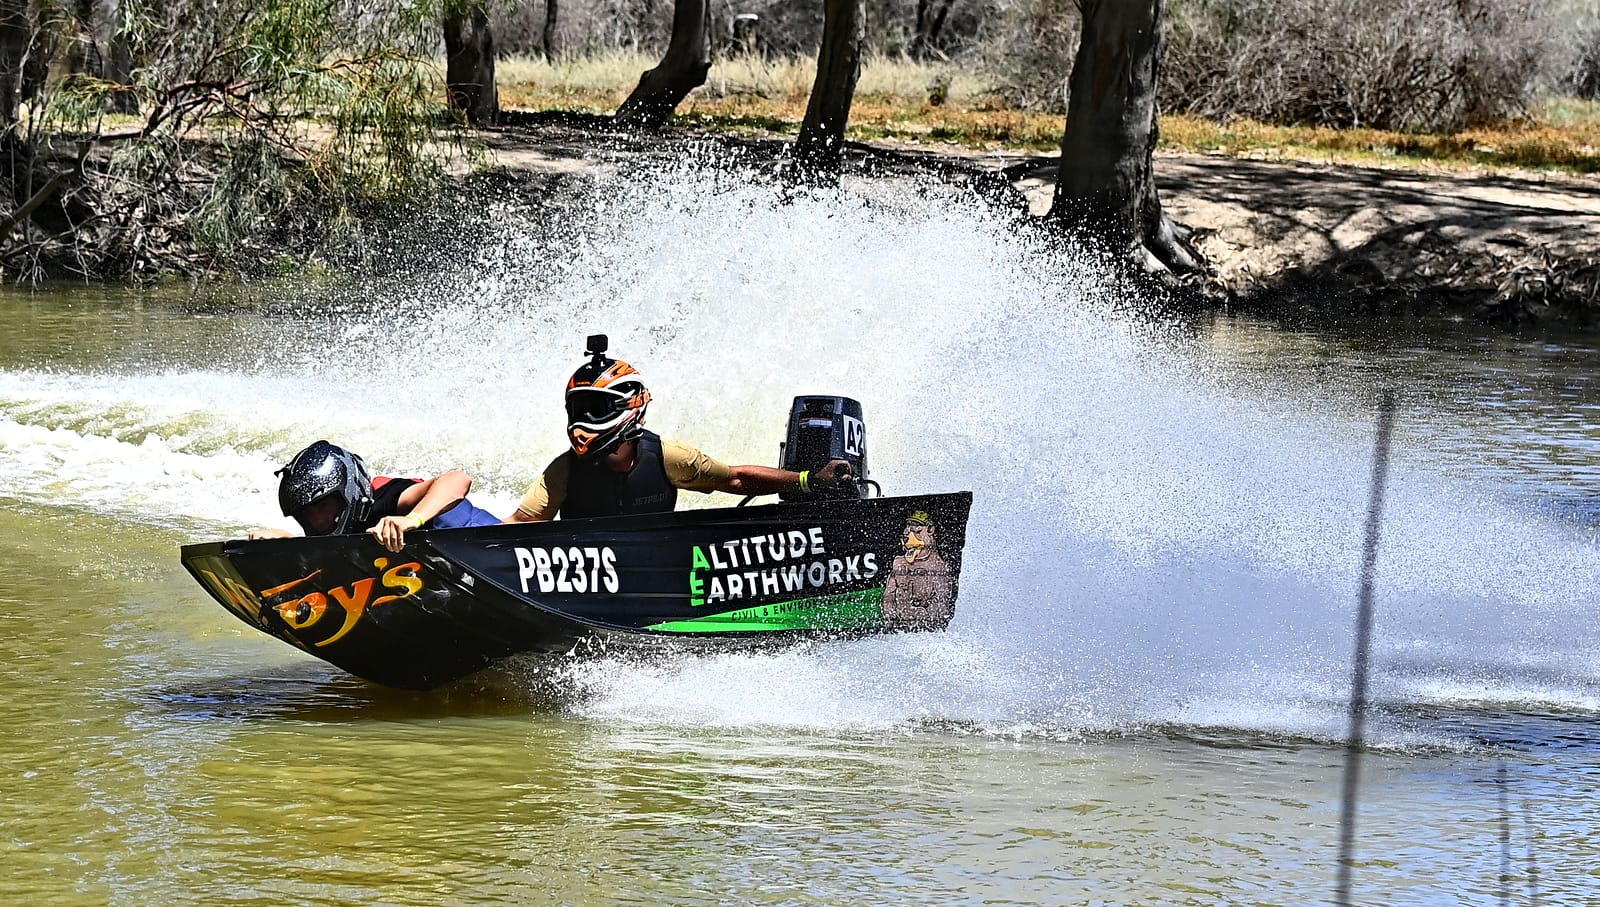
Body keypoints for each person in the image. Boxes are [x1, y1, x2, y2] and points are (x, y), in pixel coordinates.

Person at [509, 337, 853, 522]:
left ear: (629, 405)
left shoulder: (668, 457)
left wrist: (809, 480)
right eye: (577, 409)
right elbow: (520, 526)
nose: (582, 422)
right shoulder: (564, 470)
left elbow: (734, 479)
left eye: (593, 409)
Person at [248, 440, 500, 551]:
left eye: (322, 506)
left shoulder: (386, 499)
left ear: (346, 494)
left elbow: (458, 479)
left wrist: (412, 520)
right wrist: (286, 544)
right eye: (307, 514)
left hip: (497, 546)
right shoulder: (341, 526)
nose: (318, 520)